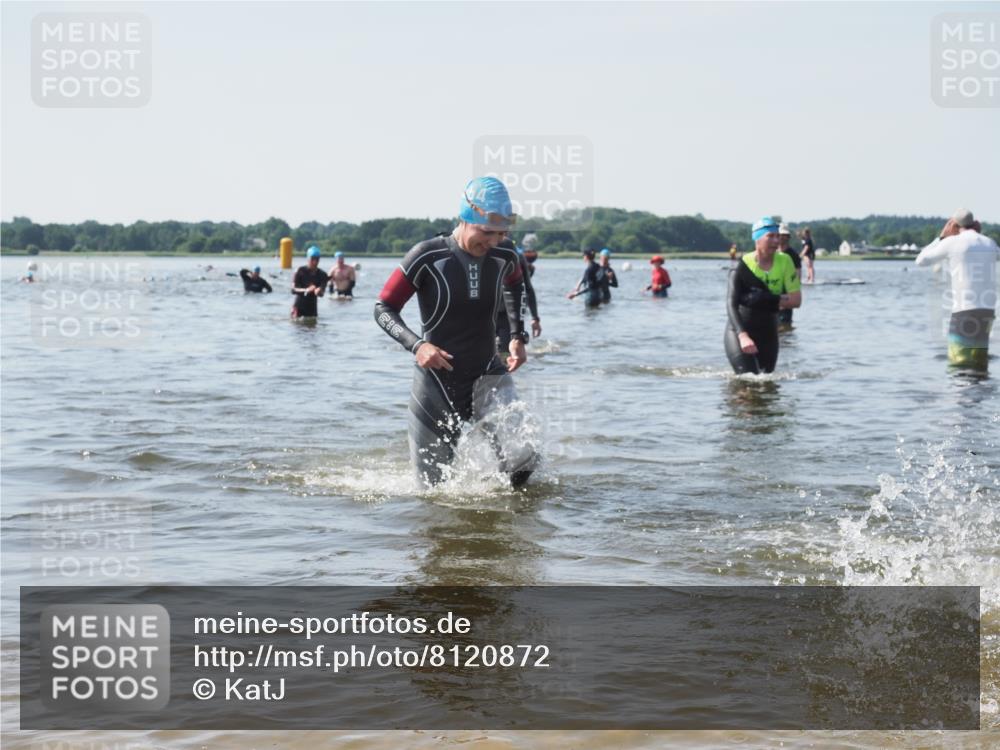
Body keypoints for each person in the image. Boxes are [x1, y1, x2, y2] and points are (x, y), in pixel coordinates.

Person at [374, 176, 536, 487]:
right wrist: (418, 346)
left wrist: (517, 337)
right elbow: (383, 308)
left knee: (523, 464)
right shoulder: (427, 256)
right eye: (486, 232)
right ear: (466, 218)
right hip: (437, 384)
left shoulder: (505, 254)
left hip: (489, 373)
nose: (493, 241)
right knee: (433, 491)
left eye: (501, 233)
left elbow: (516, 285)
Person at [915, 208, 1000, 369]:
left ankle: (964, 393)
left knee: (959, 362)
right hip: (988, 311)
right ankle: (981, 392)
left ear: (953, 225)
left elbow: (921, 260)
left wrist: (941, 237)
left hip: (964, 310)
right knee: (979, 361)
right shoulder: (990, 242)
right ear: (976, 224)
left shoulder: (951, 242)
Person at [724, 217, 802, 374]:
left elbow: (796, 300)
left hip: (769, 331)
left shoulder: (785, 261)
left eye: (777, 236)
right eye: (770, 236)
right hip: (740, 330)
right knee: (748, 380)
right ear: (757, 239)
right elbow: (731, 304)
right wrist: (743, 336)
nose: (776, 241)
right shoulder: (743, 265)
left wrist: (767, 299)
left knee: (767, 383)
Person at [496, 244, 541, 354]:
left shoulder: (517, 257)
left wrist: (535, 317)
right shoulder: (477, 252)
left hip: (508, 313)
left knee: (506, 353)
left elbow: (528, 289)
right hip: (486, 313)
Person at [291, 246, 328, 318]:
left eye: (317, 259)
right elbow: (293, 290)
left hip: (312, 308)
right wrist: (306, 290)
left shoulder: (322, 274)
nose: (315, 262)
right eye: (312, 259)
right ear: (308, 259)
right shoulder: (300, 271)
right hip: (299, 306)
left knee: (313, 327)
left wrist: (319, 291)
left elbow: (322, 293)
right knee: (297, 327)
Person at [776, 223, 801, 326]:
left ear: (788, 237)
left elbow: (797, 275)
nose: (782, 238)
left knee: (785, 323)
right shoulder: (773, 253)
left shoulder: (793, 255)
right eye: (780, 235)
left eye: (784, 235)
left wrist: (791, 296)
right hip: (774, 293)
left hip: (787, 295)